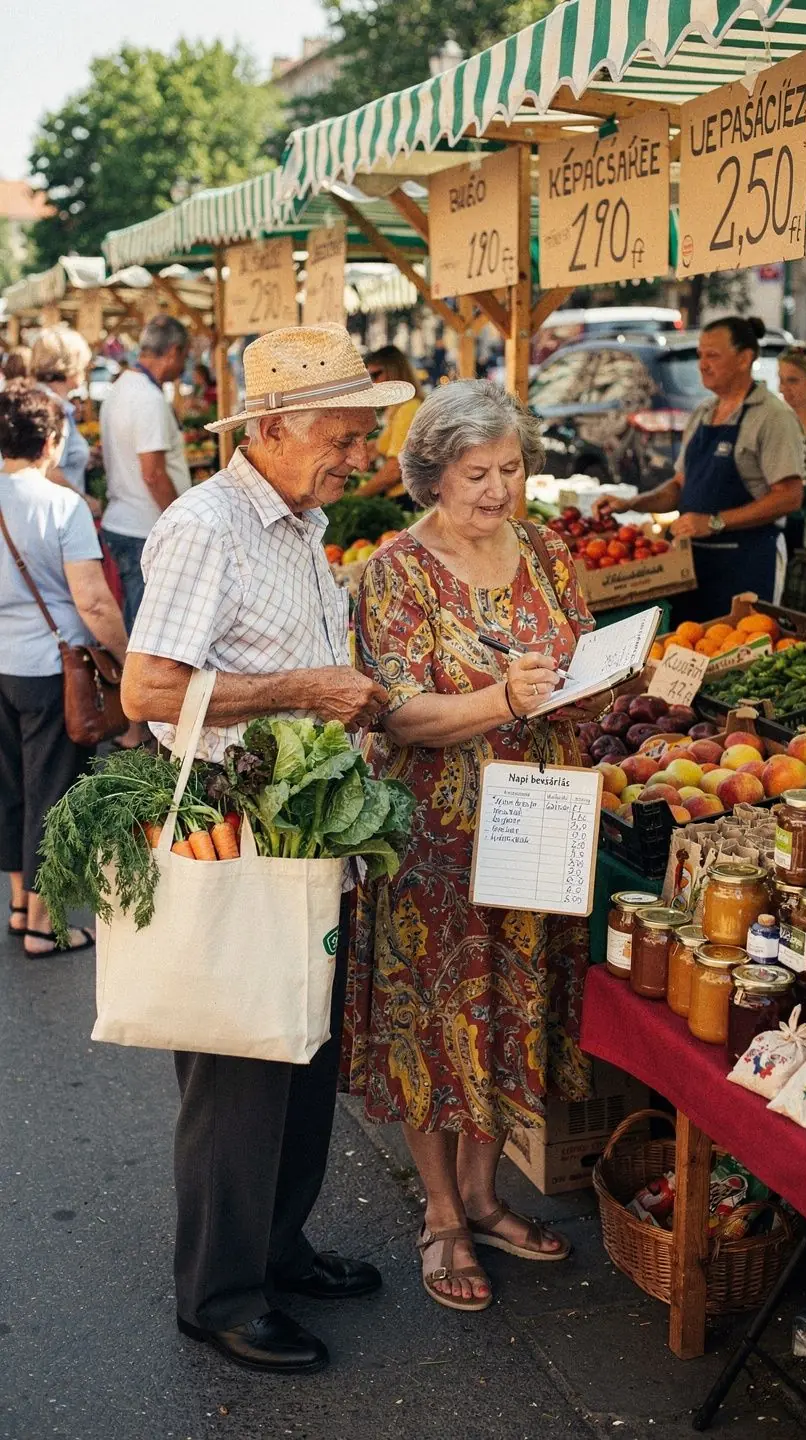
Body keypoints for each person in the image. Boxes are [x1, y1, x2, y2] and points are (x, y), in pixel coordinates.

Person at [120, 324, 412, 1374]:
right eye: (342, 434)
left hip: (300, 830)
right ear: (277, 429)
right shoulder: (208, 526)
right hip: (230, 831)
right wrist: (305, 691)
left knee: (299, 1048)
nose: (359, 454)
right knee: (239, 1065)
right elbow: (148, 691)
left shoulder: (299, 521)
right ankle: (220, 1293)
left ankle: (279, 1247)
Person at [346, 380, 596, 1313]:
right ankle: (443, 1216)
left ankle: (489, 1196)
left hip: (538, 823)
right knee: (434, 1019)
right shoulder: (395, 573)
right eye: (477, 472)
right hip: (436, 843)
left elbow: (578, 655)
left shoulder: (547, 549)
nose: (498, 489)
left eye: (512, 467)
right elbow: (400, 713)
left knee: (508, 1009)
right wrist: (505, 701)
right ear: (433, 477)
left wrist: (613, 685)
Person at [0, 382, 129, 955]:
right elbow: (95, 603)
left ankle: (19, 903)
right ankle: (43, 927)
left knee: (11, 790)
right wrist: (127, 660)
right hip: (53, 670)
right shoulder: (62, 505)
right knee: (52, 793)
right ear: (51, 442)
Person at [594, 316, 803, 621]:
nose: (702, 364)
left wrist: (715, 522)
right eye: (700, 355)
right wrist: (630, 504)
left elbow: (789, 497)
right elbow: (679, 486)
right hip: (692, 565)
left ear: (745, 358)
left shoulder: (772, 416)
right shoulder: (703, 413)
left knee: (739, 651)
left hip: (747, 564)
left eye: (713, 356)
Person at [100, 315, 191, 631]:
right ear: (174, 352)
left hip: (127, 523)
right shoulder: (148, 398)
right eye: (185, 356)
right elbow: (153, 473)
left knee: (138, 624)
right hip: (145, 530)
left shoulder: (120, 386)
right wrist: (183, 520)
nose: (185, 365)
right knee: (147, 633)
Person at [30, 326, 95, 502]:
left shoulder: (34, 399)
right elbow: (49, 470)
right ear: (70, 366)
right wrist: (84, 500)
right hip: (56, 511)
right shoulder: (54, 409)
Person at [355, 346, 423, 499]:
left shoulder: (408, 409)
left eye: (376, 374)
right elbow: (382, 446)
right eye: (369, 377)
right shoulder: (397, 408)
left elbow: (395, 469)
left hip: (405, 497)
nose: (374, 382)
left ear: (395, 372)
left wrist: (357, 496)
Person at [778, 342, 806, 555]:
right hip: (783, 520)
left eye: (792, 380)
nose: (784, 389)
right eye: (781, 380)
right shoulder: (776, 419)